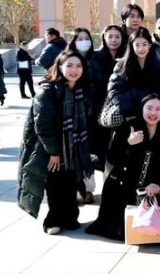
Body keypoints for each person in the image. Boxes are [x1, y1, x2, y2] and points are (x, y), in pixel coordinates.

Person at [17, 51, 93, 235]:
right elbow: (42, 125)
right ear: (59, 67)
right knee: (55, 183)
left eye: (78, 66)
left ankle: (70, 217)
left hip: (74, 147)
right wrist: (54, 151)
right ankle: (52, 220)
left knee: (70, 181)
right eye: (69, 65)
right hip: (51, 147)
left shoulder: (81, 90)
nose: (74, 70)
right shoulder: (48, 91)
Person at [86, 94, 160, 241]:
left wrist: (158, 183)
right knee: (123, 228)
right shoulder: (129, 127)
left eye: (158, 109)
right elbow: (112, 157)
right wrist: (128, 143)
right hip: (122, 185)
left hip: (150, 187)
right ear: (142, 109)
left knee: (154, 226)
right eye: (149, 108)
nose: (153, 113)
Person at [106, 28, 160, 126]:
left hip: (150, 115)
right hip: (128, 115)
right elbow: (114, 89)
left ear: (150, 45)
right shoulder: (122, 65)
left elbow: (158, 90)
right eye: (137, 45)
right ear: (132, 46)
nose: (141, 49)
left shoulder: (156, 65)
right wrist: (128, 109)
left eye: (144, 44)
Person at [66, 27, 97, 204]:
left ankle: (87, 188)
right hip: (70, 111)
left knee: (86, 151)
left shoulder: (95, 59)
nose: (84, 42)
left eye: (86, 38)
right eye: (79, 39)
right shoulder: (66, 59)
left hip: (88, 113)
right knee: (71, 152)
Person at [89, 25, 126, 170]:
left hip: (119, 108)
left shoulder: (127, 58)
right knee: (99, 149)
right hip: (98, 109)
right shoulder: (95, 59)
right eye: (110, 36)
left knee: (117, 149)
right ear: (104, 37)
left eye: (117, 37)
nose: (114, 40)